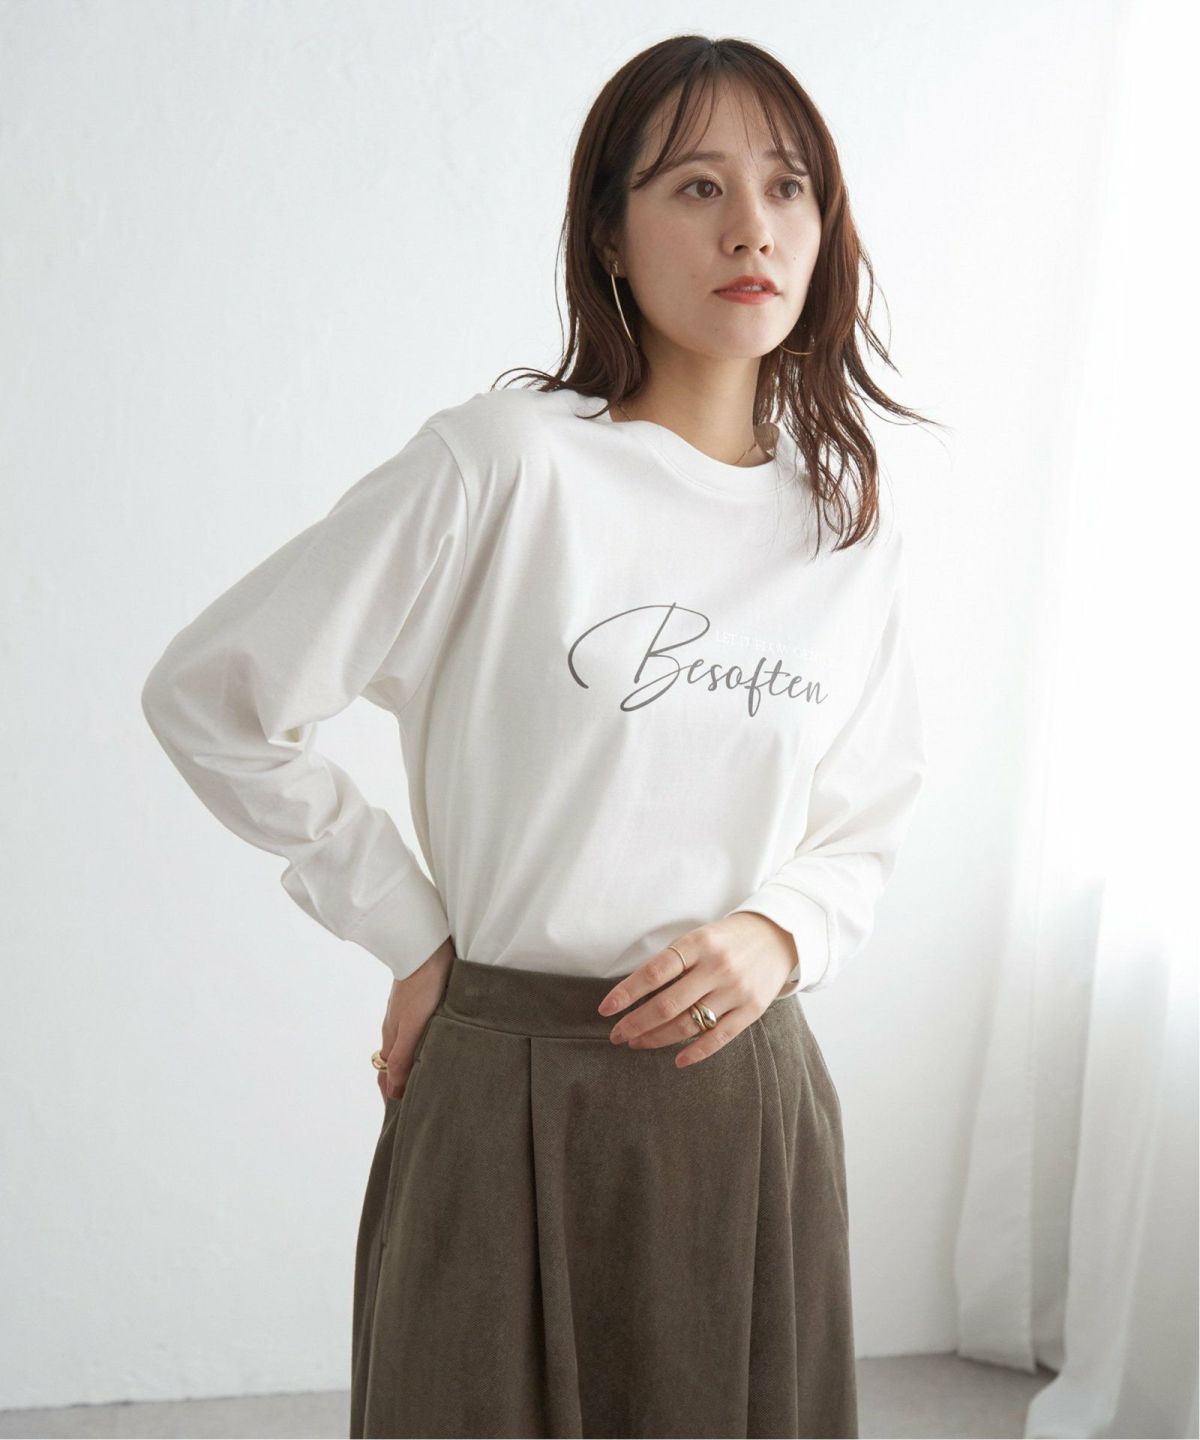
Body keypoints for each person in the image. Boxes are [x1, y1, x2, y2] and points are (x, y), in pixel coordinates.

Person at [141, 33, 936, 1440]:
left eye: (788, 186)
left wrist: (782, 932)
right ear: (609, 236)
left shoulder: (840, 528)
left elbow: (865, 821)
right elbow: (216, 696)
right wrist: (414, 933)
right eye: (697, 186)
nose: (753, 228)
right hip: (501, 1085)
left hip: (741, 1101)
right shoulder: (504, 466)